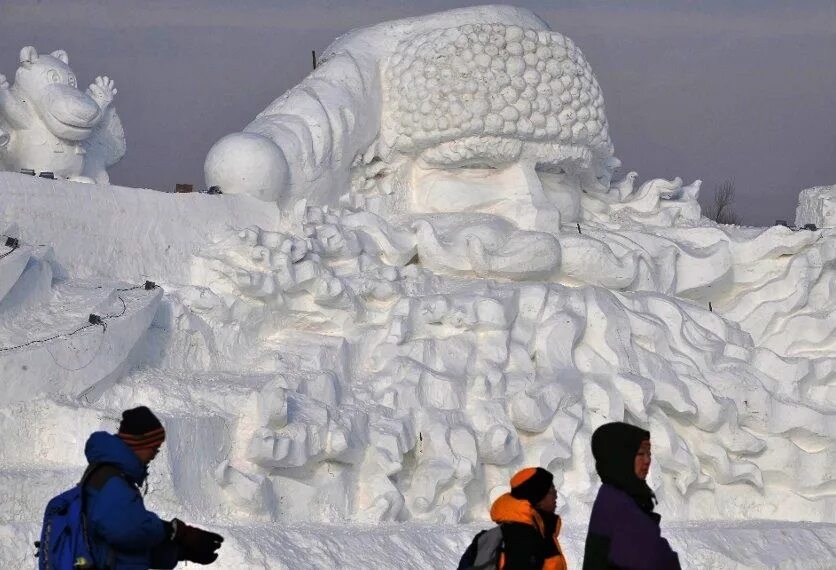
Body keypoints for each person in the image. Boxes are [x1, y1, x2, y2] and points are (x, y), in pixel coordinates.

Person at [83, 406, 224, 568]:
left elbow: (128, 544)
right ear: (139, 444)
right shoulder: (111, 479)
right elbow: (131, 531)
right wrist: (177, 533)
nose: (154, 455)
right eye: (154, 448)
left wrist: (179, 551)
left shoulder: (110, 474)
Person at [582, 422, 680, 569]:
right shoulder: (616, 504)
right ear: (621, 457)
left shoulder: (623, 497)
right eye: (641, 453)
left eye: (649, 453)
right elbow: (652, 560)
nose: (647, 460)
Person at [477, 466, 568, 569]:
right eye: (551, 490)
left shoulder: (541, 531)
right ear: (537, 498)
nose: (556, 495)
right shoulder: (521, 540)